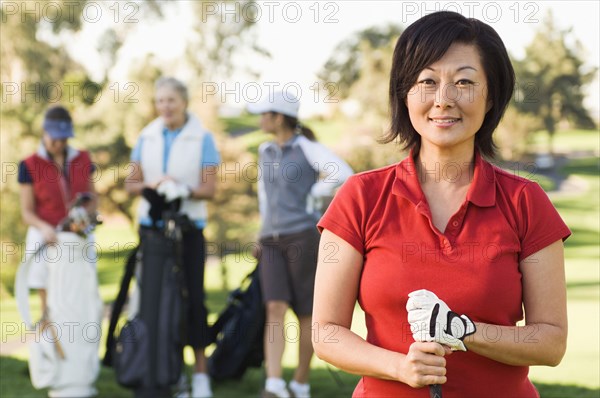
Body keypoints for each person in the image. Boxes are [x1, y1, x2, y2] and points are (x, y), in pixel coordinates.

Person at [313, 11, 571, 398]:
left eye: (464, 82)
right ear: (405, 93)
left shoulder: (526, 203)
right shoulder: (359, 197)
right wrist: (400, 367)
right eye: (427, 81)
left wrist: (464, 331)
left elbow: (551, 342)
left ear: (491, 97)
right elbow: (326, 332)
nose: (444, 99)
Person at [248, 90, 353, 398]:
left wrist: (314, 193)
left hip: (302, 237)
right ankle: (274, 384)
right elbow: (264, 196)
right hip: (270, 239)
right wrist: (261, 232)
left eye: (265, 113)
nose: (261, 118)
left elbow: (343, 174)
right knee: (274, 306)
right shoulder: (265, 150)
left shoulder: (306, 147)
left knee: (306, 312)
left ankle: (301, 383)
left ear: (279, 117)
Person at [125, 77, 220, 398]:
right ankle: (165, 372)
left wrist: (184, 188)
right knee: (155, 302)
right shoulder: (147, 136)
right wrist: (153, 188)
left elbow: (209, 188)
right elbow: (131, 183)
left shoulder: (202, 138)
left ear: (184, 102)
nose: (165, 106)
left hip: (188, 229)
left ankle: (200, 375)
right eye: (160, 100)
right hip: (152, 231)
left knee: (193, 298)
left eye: (171, 100)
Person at [18, 105, 102, 397]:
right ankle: (53, 368)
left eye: (64, 138)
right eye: (54, 137)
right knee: (50, 309)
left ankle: (78, 368)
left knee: (80, 305)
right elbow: (27, 211)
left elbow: (93, 199)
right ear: (44, 132)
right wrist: (45, 227)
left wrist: (84, 215)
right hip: (45, 240)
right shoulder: (29, 165)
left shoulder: (82, 159)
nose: (59, 143)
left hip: (76, 242)